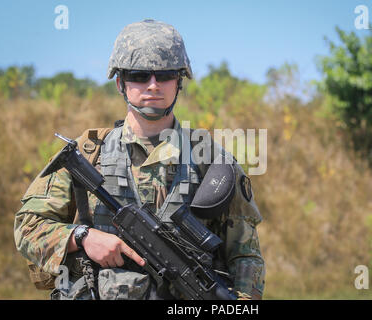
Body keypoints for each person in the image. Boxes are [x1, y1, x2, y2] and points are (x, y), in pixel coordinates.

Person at [14, 19, 265, 300]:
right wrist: (83, 237)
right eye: (139, 74)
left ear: (179, 81)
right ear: (121, 82)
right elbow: (28, 227)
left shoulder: (213, 162)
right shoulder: (88, 153)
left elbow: (246, 257)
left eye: (165, 74)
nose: (153, 85)